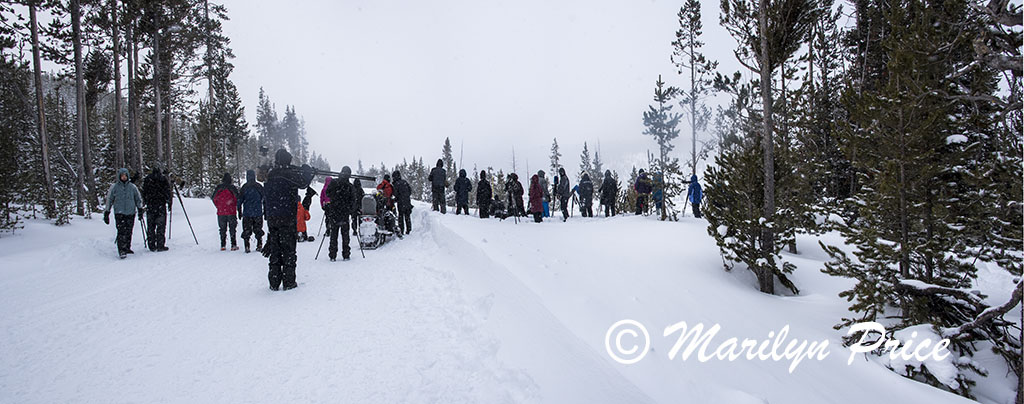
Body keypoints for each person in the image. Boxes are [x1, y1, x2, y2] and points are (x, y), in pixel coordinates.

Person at [263, 149, 314, 290]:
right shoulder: (288, 175)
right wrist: (308, 172)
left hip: (273, 218)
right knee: (289, 251)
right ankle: (288, 281)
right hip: (287, 218)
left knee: (275, 250)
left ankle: (274, 282)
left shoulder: (271, 174)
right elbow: (303, 183)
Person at [104, 168, 144, 259]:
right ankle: (121, 250)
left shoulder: (132, 187)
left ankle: (127, 247)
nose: (124, 177)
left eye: (125, 175)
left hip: (130, 212)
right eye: (122, 176)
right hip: (119, 212)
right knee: (121, 231)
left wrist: (140, 209)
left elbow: (138, 199)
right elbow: (109, 200)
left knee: (129, 231)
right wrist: (107, 211)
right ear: (119, 176)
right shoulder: (114, 187)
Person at [325, 166, 356, 262]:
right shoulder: (350, 186)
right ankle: (346, 254)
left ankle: (332, 255)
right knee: (345, 235)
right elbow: (353, 200)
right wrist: (351, 210)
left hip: (334, 212)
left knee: (334, 234)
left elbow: (327, 193)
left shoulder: (334, 182)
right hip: (344, 213)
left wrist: (335, 198)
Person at [141, 166, 172, 252]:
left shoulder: (148, 179)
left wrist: (146, 201)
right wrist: (168, 202)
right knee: (161, 226)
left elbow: (144, 192)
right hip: (160, 205)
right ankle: (160, 245)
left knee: (151, 226)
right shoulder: (162, 179)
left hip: (151, 206)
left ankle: (151, 245)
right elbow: (167, 191)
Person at [238, 169, 265, 253]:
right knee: (258, 229)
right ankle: (259, 244)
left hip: (247, 213)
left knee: (246, 230)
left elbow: (240, 200)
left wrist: (239, 211)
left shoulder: (244, 187)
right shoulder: (259, 186)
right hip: (258, 212)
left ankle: (247, 246)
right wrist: (265, 209)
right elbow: (264, 198)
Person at [212, 173, 240, 251]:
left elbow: (213, 198)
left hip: (221, 211)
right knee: (232, 228)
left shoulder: (219, 188)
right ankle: (233, 244)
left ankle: (223, 245)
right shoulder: (232, 188)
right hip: (231, 211)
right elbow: (237, 198)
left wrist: (219, 206)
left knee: (222, 229)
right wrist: (234, 206)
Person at [392, 170, 413, 234]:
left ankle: (402, 230)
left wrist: (395, 200)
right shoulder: (405, 182)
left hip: (401, 203)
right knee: (407, 216)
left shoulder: (396, 184)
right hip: (407, 201)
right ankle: (409, 230)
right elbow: (410, 191)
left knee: (401, 217)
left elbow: (395, 194)